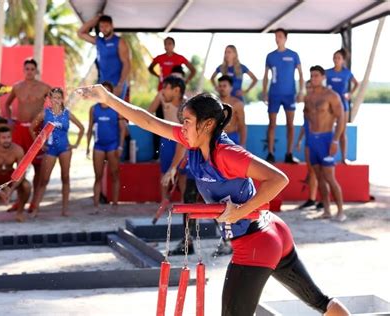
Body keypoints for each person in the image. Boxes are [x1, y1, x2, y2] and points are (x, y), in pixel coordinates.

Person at [76, 84, 350, 316]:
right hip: (272, 232)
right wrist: (107, 98)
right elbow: (148, 121)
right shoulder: (193, 142)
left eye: (187, 121)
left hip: (255, 244)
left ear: (207, 125)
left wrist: (239, 210)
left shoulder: (227, 155)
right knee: (321, 303)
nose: (182, 127)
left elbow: (279, 179)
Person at [5, 58, 51, 212]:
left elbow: (58, 103)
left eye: (32, 69)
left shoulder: (45, 87)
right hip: (20, 130)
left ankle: (34, 203)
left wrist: (49, 119)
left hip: (36, 130)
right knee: (20, 168)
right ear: (23, 70)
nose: (29, 71)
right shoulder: (17, 87)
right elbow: (7, 104)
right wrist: (10, 119)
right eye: (27, 69)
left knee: (38, 168)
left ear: (36, 71)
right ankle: (19, 201)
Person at [30, 88, 85, 217]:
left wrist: (75, 144)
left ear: (62, 99)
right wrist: (39, 144)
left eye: (59, 97)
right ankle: (35, 209)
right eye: (54, 97)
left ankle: (65, 209)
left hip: (65, 149)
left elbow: (81, 128)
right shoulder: (45, 113)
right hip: (50, 149)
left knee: (65, 178)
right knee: (44, 180)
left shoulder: (67, 113)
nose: (56, 100)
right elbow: (32, 128)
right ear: (50, 99)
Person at [305, 66, 346, 222]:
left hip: (327, 139)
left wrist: (335, 139)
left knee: (330, 177)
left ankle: (341, 211)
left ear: (323, 77)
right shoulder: (308, 97)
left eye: (316, 75)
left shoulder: (331, 95)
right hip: (313, 141)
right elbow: (307, 116)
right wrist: (308, 140)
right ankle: (327, 210)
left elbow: (341, 118)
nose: (314, 78)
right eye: (312, 75)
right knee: (319, 177)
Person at [263, 28, 304, 164]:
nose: (277, 38)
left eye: (280, 36)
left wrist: (300, 92)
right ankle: (270, 153)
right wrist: (264, 92)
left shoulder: (294, 55)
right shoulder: (270, 56)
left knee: (290, 125)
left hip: (290, 94)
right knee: (272, 124)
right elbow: (265, 76)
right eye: (276, 36)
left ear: (285, 38)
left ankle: (289, 154)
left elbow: (301, 75)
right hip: (274, 93)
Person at [148, 76, 187, 206]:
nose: (163, 90)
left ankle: (184, 201)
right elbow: (148, 113)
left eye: (166, 87)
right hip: (167, 138)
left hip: (182, 139)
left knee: (182, 172)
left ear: (176, 90)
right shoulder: (161, 97)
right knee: (164, 171)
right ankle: (164, 201)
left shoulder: (187, 105)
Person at [86, 82, 126, 207]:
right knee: (98, 176)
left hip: (112, 146)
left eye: (107, 91)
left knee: (115, 174)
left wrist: (120, 146)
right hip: (98, 146)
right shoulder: (94, 109)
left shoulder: (116, 108)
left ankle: (115, 203)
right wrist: (87, 147)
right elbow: (89, 128)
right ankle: (96, 205)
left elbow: (123, 129)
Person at [77, 14, 131, 99]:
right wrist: (95, 19)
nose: (104, 29)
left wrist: (120, 84)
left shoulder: (119, 42)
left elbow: (127, 64)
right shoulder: (98, 41)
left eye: (106, 26)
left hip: (116, 84)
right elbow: (80, 33)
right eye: (101, 26)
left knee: (116, 111)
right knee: (101, 110)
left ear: (112, 26)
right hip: (103, 84)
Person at [325, 49, 359, 164]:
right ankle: (327, 156)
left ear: (343, 60)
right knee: (328, 130)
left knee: (342, 132)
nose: (336, 60)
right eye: (334, 58)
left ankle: (343, 158)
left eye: (338, 58)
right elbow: (318, 82)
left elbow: (356, 83)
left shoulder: (347, 72)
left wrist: (350, 94)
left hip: (343, 105)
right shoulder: (328, 72)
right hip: (329, 106)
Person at [295, 81, 323, 211]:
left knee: (322, 172)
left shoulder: (322, 101)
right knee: (311, 171)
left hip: (320, 140)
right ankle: (312, 199)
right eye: (307, 87)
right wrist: (299, 140)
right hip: (308, 140)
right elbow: (304, 123)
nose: (309, 89)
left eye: (311, 87)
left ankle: (323, 200)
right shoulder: (307, 101)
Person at [217, 75, 247, 147]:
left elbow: (242, 125)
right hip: (216, 138)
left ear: (231, 88)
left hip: (231, 138)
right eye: (220, 86)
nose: (222, 88)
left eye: (224, 86)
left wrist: (242, 145)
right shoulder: (213, 103)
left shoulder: (237, 104)